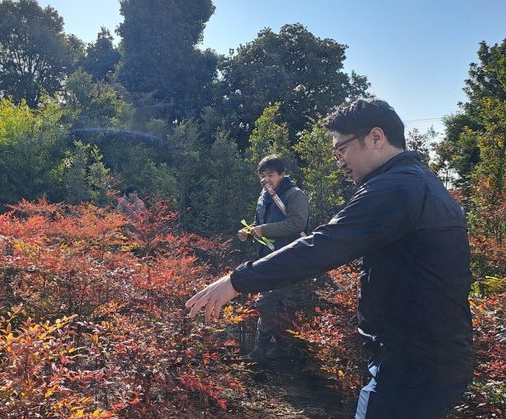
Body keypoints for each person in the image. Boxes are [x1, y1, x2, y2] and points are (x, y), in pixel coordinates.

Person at [186, 99, 474, 418]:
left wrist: (237, 281)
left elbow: (322, 246)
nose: (339, 162)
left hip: (413, 366)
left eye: (342, 150)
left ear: (376, 138)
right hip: (422, 358)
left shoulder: (395, 188)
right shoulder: (421, 182)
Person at [240, 155, 309, 361]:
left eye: (270, 175)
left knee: (272, 302)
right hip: (268, 257)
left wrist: (264, 230)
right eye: (263, 175)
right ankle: (277, 348)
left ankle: (269, 349)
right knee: (270, 303)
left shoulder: (294, 195)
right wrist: (248, 231)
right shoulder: (264, 196)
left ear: (282, 174)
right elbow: (258, 223)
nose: (266, 180)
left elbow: (297, 224)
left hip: (291, 258)